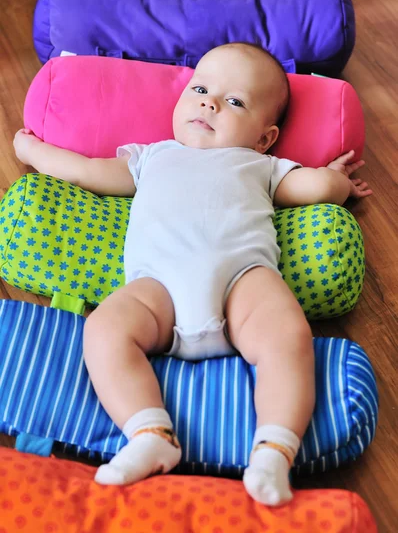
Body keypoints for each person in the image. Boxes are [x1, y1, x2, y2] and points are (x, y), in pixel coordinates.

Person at [13, 43, 372, 506]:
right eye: (201, 89)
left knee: (287, 336)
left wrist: (337, 179)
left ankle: (275, 449)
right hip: (155, 290)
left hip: (243, 282)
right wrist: (33, 149)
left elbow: (318, 187)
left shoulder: (261, 165)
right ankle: (148, 432)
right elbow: (82, 172)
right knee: (104, 329)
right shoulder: (150, 157)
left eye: (235, 101)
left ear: (265, 138)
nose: (210, 102)